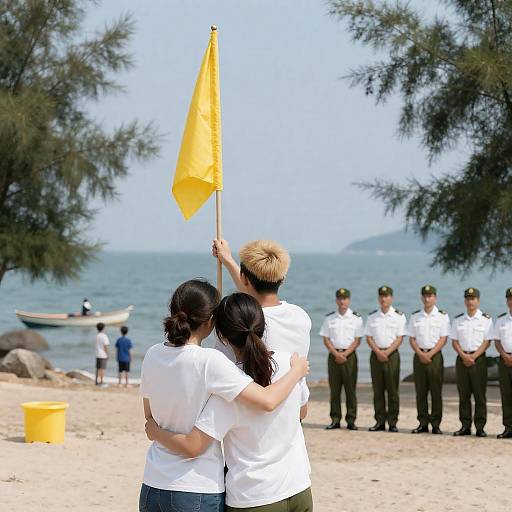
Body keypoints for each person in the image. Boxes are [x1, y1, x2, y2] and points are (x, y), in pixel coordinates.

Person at [139, 280, 309, 512]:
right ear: (211, 322)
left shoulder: (152, 354)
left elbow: (150, 416)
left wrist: (157, 432)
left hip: (153, 484)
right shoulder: (211, 362)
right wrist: (297, 371)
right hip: (196, 486)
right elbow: (267, 400)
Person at [212, 239, 311, 359]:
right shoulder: (300, 315)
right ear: (283, 279)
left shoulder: (241, 322)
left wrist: (227, 260)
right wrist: (227, 260)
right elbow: (250, 291)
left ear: (244, 278)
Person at [407, 285, 450, 435]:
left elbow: (443, 339)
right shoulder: (415, 316)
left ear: (435, 298)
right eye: (424, 296)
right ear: (421, 298)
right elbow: (411, 339)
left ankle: (436, 424)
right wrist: (420, 353)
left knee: (436, 391)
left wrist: (430, 354)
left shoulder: (442, 316)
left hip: (435, 356)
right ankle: (423, 423)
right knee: (421, 391)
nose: (427, 299)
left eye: (430, 296)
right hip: (419, 356)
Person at [451, 287, 493, 437]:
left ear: (478, 301)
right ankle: (465, 426)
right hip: (462, 359)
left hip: (478, 359)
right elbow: (454, 341)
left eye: (473, 299)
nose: (470, 302)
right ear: (465, 301)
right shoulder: (458, 320)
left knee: (479, 394)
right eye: (468, 299)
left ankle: (480, 427)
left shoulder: (486, 319)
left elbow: (487, 342)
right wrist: (464, 355)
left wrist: (474, 356)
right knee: (464, 395)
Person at [365, 285, 407, 432]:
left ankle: (393, 422)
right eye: (381, 296)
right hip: (376, 355)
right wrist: (378, 351)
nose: (384, 299)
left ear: (391, 298)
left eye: (386, 296)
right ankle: (380, 421)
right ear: (379, 298)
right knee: (378, 390)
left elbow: (400, 338)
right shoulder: (372, 316)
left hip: (392, 355)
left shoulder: (399, 316)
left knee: (392, 390)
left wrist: (387, 352)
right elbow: (369, 337)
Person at [320, 287, 363, 431]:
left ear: (349, 300)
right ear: (336, 300)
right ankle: (335, 419)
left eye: (344, 298)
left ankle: (351, 420)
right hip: (334, 356)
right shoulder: (329, 318)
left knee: (350, 390)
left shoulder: (356, 318)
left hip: (349, 357)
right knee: (335, 390)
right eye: (339, 298)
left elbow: (357, 340)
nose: (342, 301)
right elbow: (326, 339)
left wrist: (345, 354)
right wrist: (336, 354)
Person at [493, 287, 512, 439]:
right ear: (507, 301)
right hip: (504, 360)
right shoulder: (501, 320)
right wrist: (504, 354)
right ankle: (508, 427)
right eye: (509, 298)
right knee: (506, 395)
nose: (511, 301)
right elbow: (497, 341)